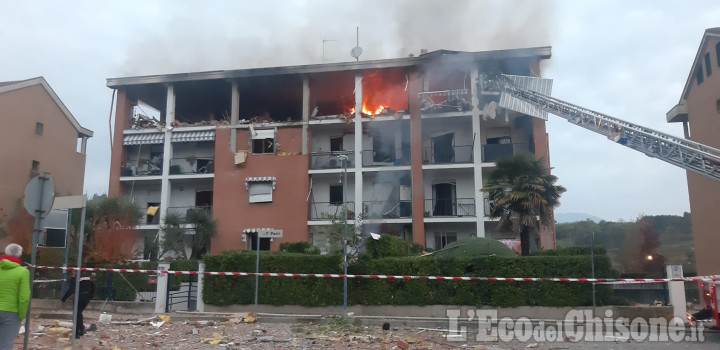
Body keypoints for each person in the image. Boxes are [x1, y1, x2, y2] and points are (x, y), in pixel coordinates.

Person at [0, 243, 30, 350]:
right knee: (5, 344)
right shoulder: (23, 272)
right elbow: (24, 298)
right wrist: (21, 315)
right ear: (19, 255)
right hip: (11, 313)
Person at [61, 270, 95, 338]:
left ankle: (77, 332)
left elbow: (71, 289)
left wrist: (63, 299)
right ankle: (81, 329)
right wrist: (90, 296)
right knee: (79, 313)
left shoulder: (75, 278)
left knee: (76, 314)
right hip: (86, 298)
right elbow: (93, 288)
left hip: (78, 297)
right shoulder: (88, 278)